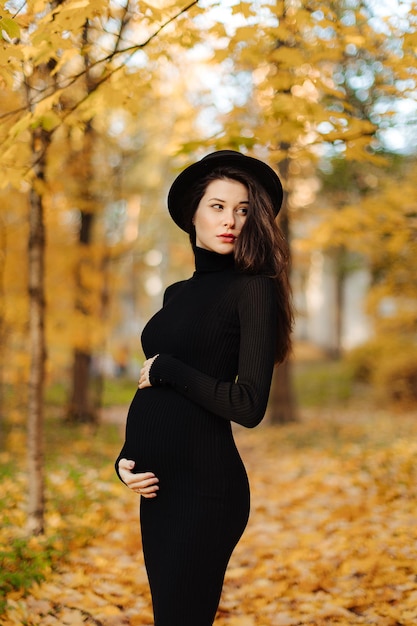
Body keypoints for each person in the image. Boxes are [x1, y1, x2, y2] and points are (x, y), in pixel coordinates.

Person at [115, 150, 293, 626]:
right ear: (192, 213)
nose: (231, 220)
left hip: (206, 492)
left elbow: (249, 404)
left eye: (243, 209)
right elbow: (154, 396)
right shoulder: (178, 293)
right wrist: (126, 461)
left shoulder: (254, 288)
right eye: (217, 206)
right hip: (160, 491)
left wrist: (170, 368)